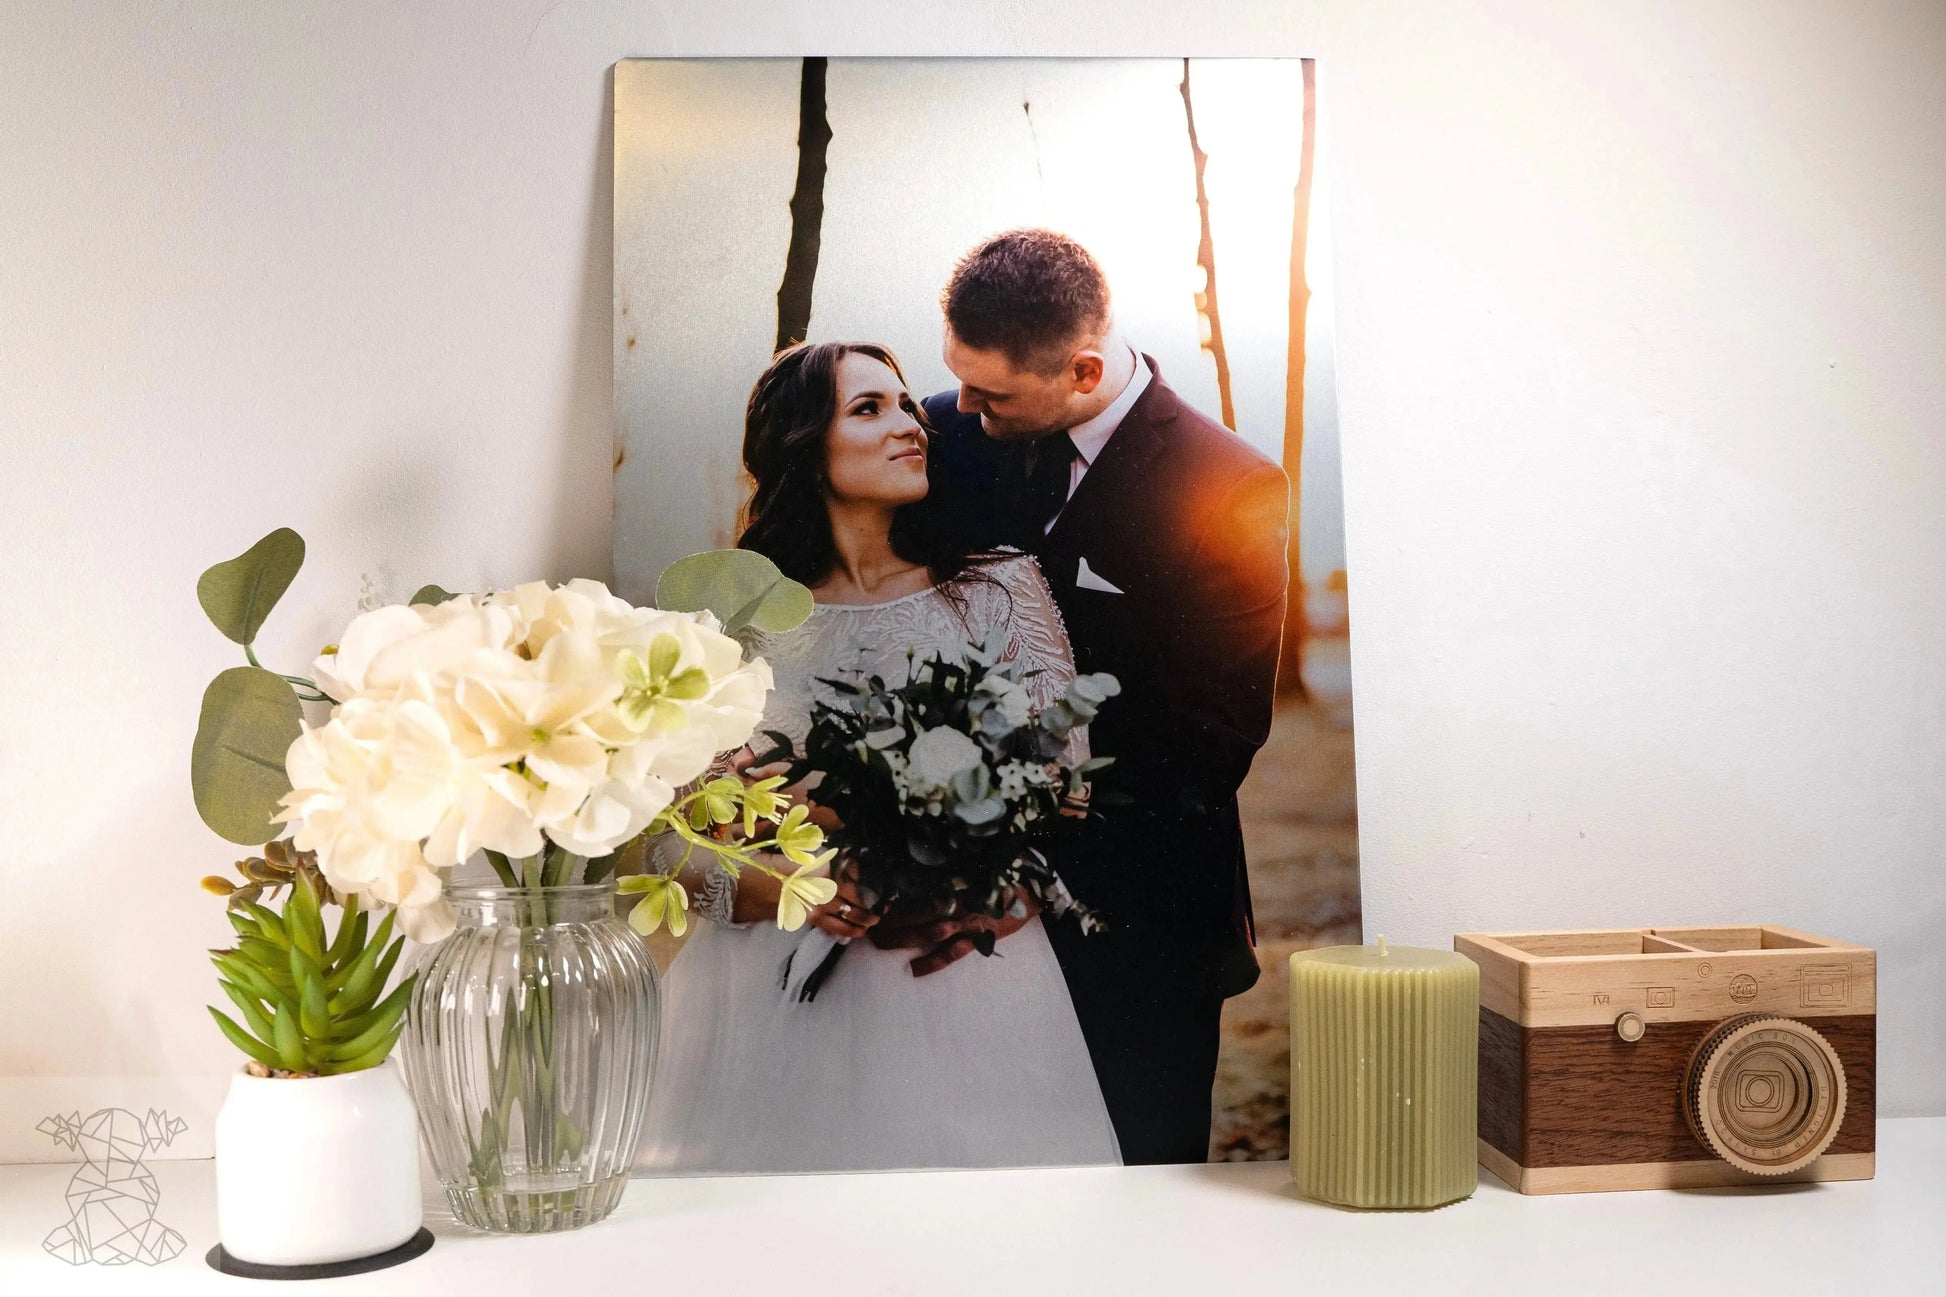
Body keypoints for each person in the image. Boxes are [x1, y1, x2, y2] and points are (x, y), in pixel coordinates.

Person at [635, 340, 1121, 1174]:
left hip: (965, 968)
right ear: (802, 448)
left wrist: (955, 861)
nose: (911, 424)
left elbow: (1060, 783)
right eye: (869, 409)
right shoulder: (730, 628)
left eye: (905, 404)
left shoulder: (995, 587)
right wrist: (780, 887)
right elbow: (669, 845)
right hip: (771, 993)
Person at [918, 229, 1291, 1164]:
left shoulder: (1230, 484)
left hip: (1146, 920)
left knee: (1145, 1175)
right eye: (958, 379)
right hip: (951, 916)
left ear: (1083, 369)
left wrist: (1034, 860)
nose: (962, 406)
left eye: (991, 391)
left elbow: (1215, 733)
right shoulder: (938, 436)